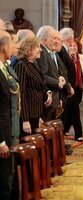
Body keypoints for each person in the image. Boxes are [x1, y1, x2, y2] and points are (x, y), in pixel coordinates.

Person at [15, 37, 52, 139]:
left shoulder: (33, 64)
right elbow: (22, 93)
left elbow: (38, 86)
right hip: (29, 115)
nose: (40, 50)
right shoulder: (22, 65)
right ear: (29, 49)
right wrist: (25, 120)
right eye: (38, 47)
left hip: (36, 112)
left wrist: (46, 96)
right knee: (28, 145)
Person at [0, 30, 13, 200]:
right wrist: (1, 141)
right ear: (4, 47)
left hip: (6, 129)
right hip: (1, 136)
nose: (13, 47)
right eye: (11, 44)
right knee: (3, 182)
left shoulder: (4, 67)